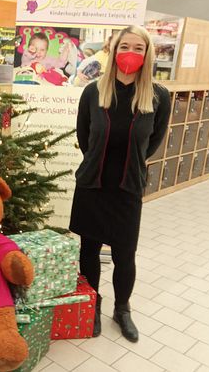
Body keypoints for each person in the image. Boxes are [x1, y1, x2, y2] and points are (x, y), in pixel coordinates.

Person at [69, 25, 170, 342]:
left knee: (125, 255)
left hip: (127, 188)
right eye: (124, 46)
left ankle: (122, 309)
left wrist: (131, 163)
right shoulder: (93, 92)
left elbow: (153, 142)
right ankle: (93, 304)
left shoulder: (158, 96)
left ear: (148, 53)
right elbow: (84, 136)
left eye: (138, 48)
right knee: (89, 251)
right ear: (113, 51)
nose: (130, 53)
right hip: (92, 185)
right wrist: (99, 160)